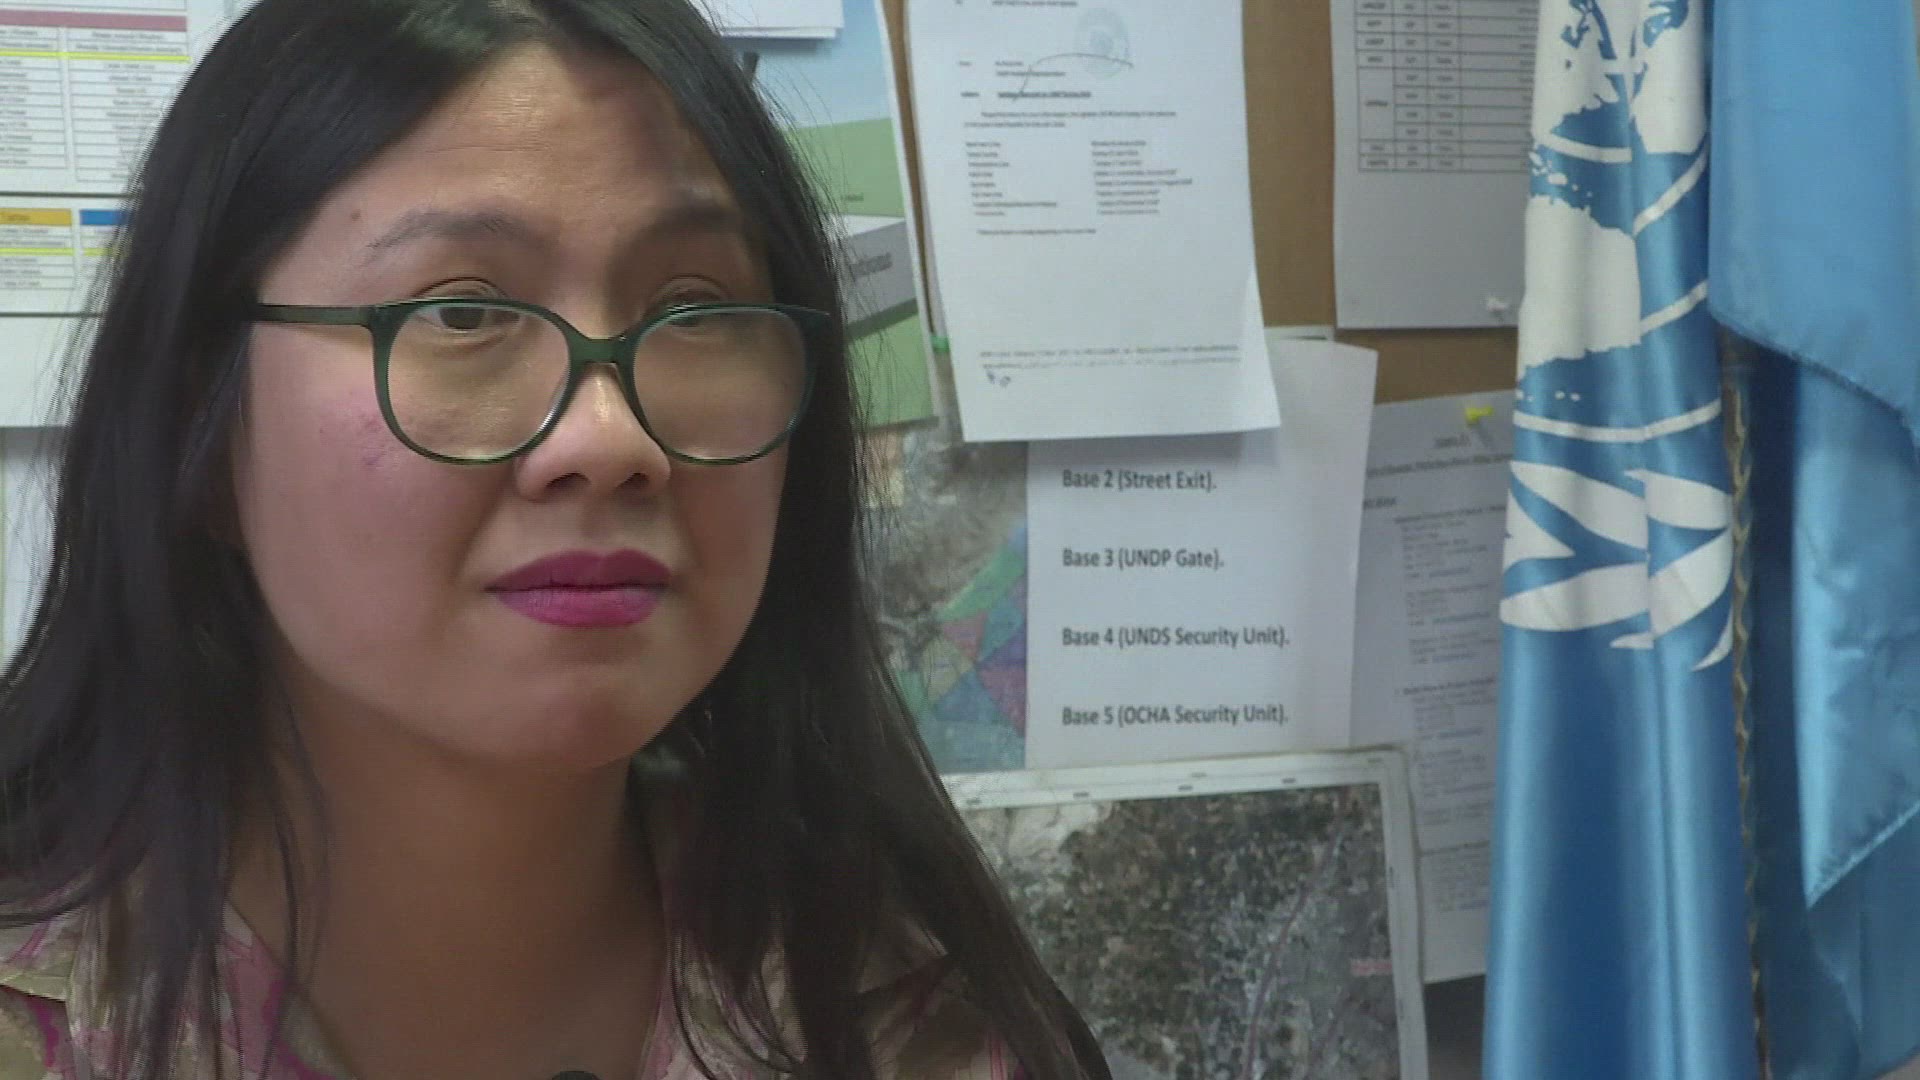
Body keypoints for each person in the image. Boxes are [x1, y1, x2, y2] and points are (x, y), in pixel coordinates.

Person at [0, 2, 1110, 1078]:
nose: (610, 438)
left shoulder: (924, 1029)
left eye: (692, 309)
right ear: (201, 425)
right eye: (461, 311)